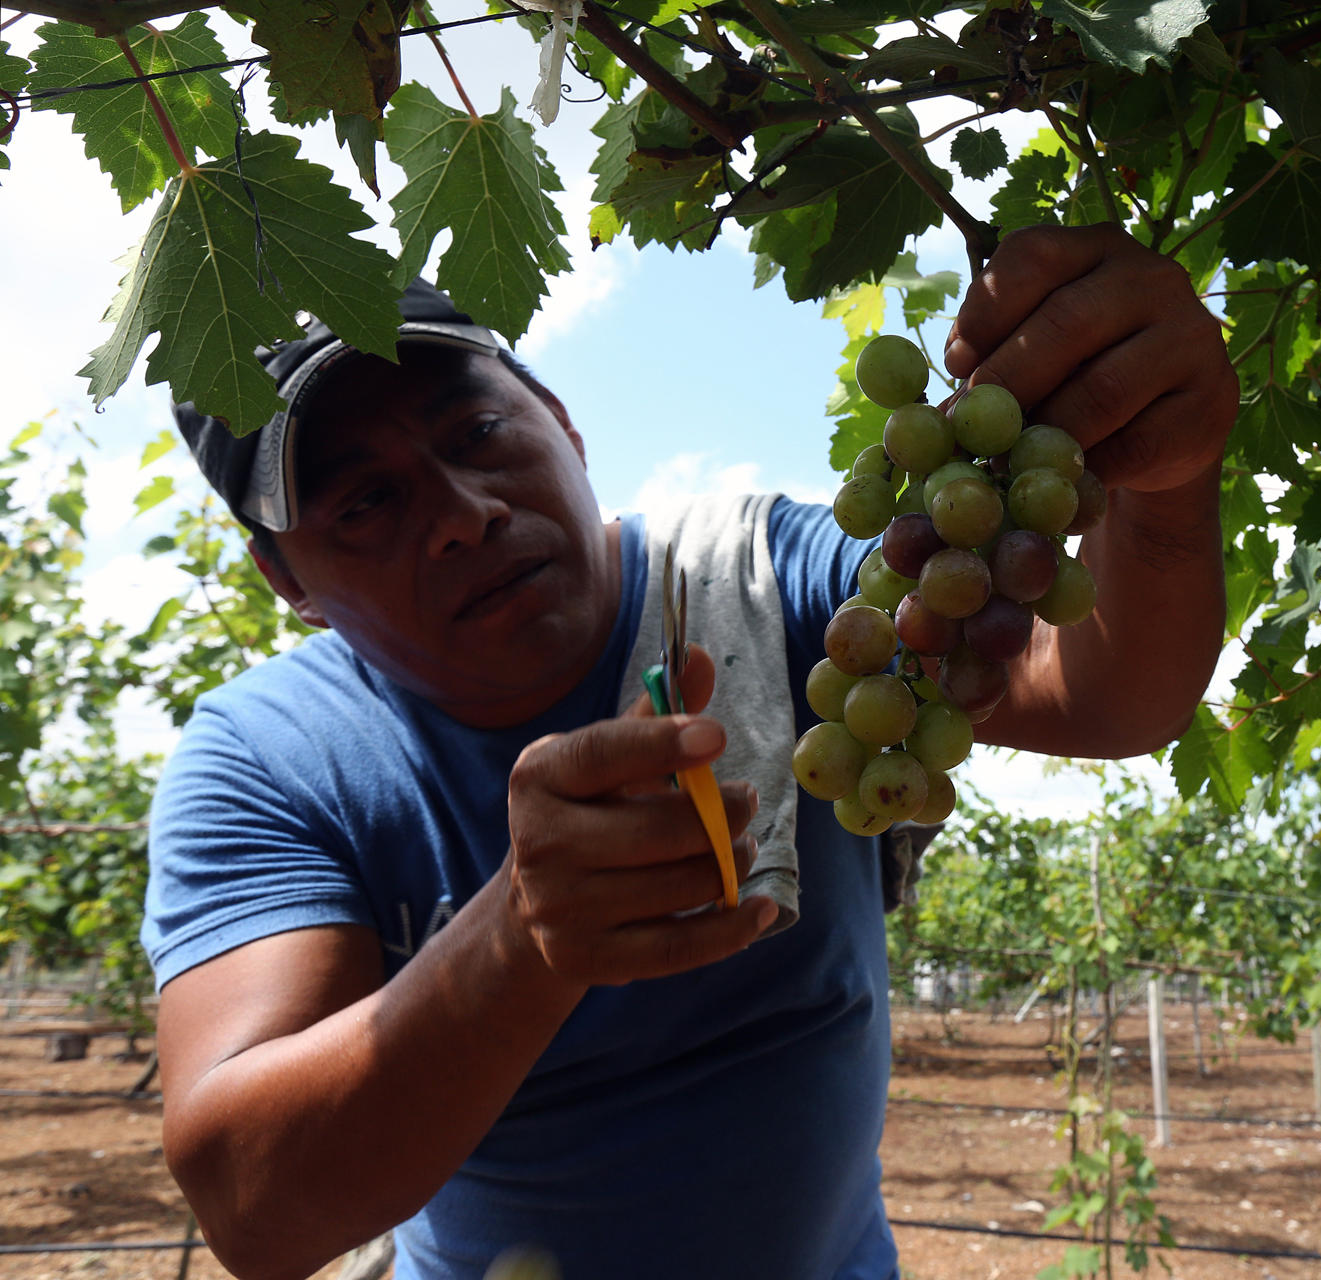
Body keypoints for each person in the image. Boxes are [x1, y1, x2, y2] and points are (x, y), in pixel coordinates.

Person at [142, 224, 1236, 1280]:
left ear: (563, 422)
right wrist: (516, 940)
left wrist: (1169, 475)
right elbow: (254, 1209)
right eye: (367, 499)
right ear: (286, 580)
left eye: (476, 433)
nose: (461, 513)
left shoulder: (755, 577)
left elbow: (1102, 691)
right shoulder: (270, 756)